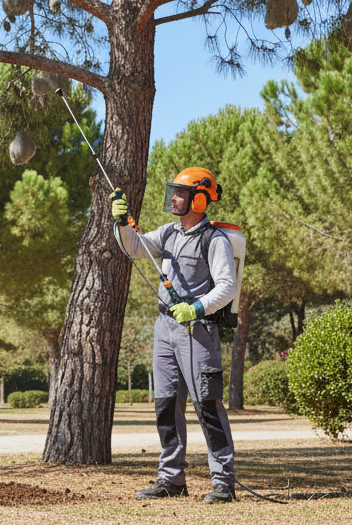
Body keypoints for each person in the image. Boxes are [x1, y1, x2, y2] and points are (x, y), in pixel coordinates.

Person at [111, 168, 238, 503]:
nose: (174, 198)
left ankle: (223, 483)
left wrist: (196, 309)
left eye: (180, 193)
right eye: (174, 192)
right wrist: (122, 223)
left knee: (207, 406)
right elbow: (135, 248)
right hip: (165, 328)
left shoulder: (215, 240)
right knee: (166, 406)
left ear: (199, 198)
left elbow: (227, 287)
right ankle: (171, 480)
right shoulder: (168, 233)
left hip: (198, 331)